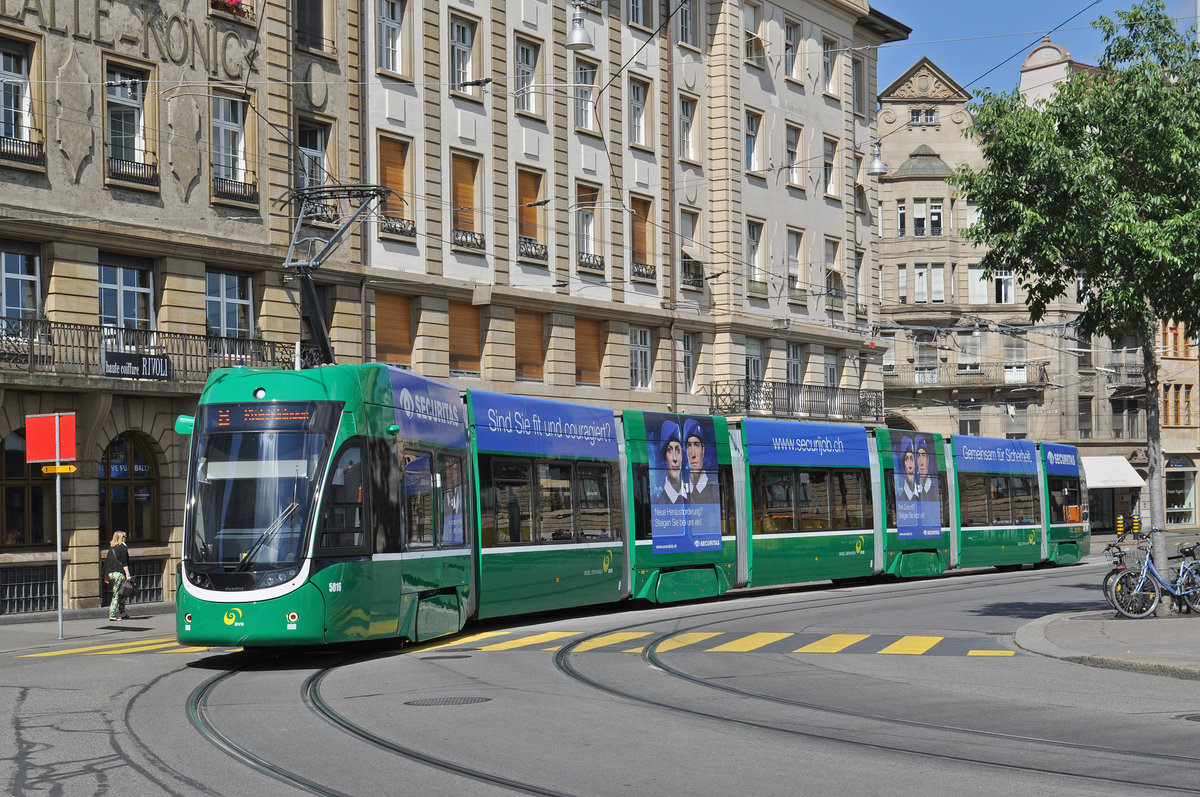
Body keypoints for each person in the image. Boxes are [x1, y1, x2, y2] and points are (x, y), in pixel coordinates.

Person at [683, 418, 715, 502]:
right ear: (686, 451)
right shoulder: (682, 491)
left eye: (696, 445)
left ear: (703, 450)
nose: (693, 454)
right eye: (689, 446)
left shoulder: (715, 491)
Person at [104, 530, 132, 621]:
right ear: (120, 538)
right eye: (124, 536)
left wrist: (105, 576)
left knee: (121, 593)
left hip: (111, 574)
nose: (126, 538)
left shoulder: (111, 549)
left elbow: (107, 563)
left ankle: (123, 613)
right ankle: (112, 614)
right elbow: (124, 563)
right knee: (117, 594)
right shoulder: (123, 548)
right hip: (119, 574)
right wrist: (128, 574)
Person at [659, 419, 686, 504]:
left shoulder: (693, 500)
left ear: (682, 455)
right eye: (669, 450)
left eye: (678, 450)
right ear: (665, 457)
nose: (675, 458)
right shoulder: (659, 504)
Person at [897, 436, 920, 500]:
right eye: (906, 459)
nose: (910, 466)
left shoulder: (924, 495)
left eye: (912, 459)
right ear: (903, 465)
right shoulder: (899, 499)